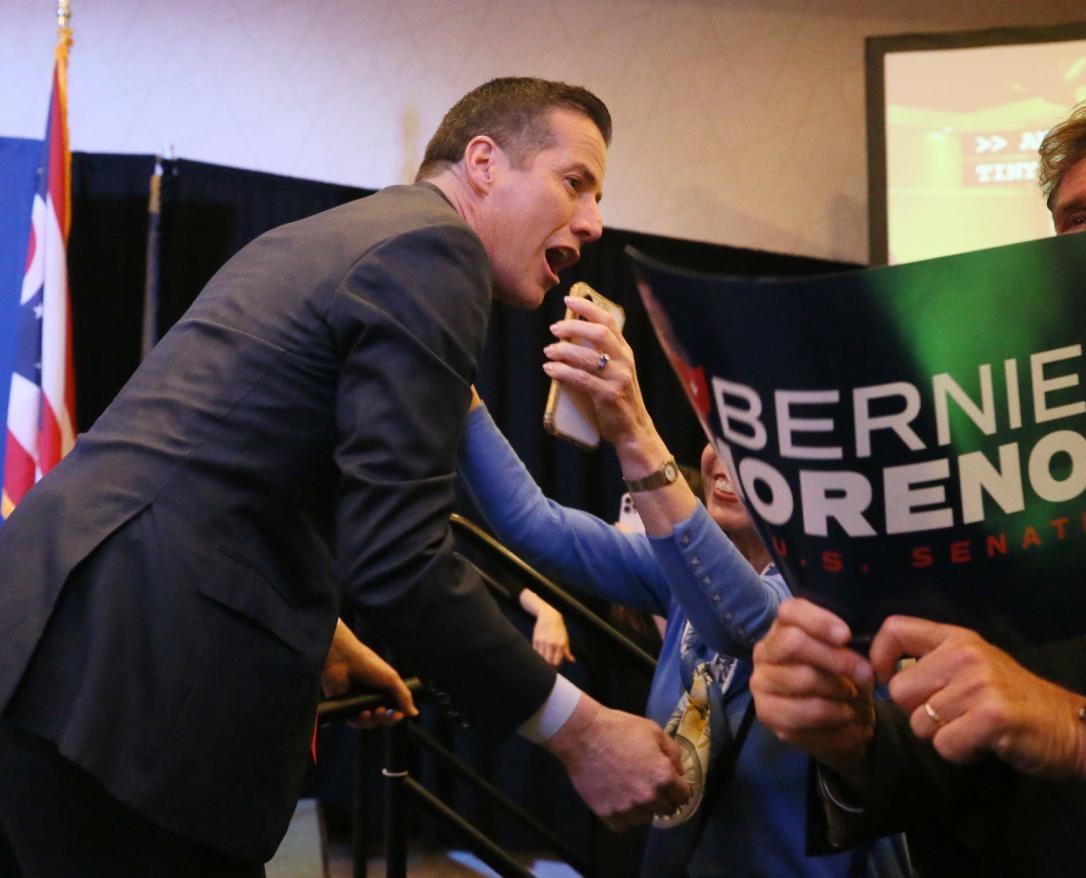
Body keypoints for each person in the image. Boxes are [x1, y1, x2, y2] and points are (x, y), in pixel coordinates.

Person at [0, 77, 688, 877]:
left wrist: (327, 634)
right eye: (575, 183)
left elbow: (233, 465)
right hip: (124, 699)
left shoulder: (345, 235)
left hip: (59, 660)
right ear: (484, 163)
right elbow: (399, 561)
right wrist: (583, 732)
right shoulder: (435, 253)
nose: (593, 222)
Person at [749, 91, 1086, 877]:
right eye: (1077, 220)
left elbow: (1053, 723)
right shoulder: (1009, 461)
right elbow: (971, 751)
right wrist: (854, 744)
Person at [456, 295, 912, 876]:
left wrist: (634, 432)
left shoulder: (843, 585)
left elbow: (746, 622)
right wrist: (458, 394)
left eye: (758, 444)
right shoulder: (676, 568)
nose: (725, 462)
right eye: (721, 433)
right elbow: (535, 525)